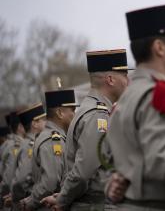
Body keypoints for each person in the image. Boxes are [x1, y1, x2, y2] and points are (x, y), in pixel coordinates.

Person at [105, 4, 165, 211]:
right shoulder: (160, 95)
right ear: (159, 47)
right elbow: (163, 161)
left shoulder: (127, 95)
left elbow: (114, 160)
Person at [41, 49, 129, 211]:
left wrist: (62, 196)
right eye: (124, 75)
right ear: (110, 79)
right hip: (93, 205)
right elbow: (84, 170)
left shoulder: (92, 109)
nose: (128, 81)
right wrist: (63, 199)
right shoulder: (97, 115)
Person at [20, 89, 78, 211]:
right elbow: (50, 182)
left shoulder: (54, 136)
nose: (75, 114)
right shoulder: (53, 140)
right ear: (60, 113)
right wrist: (31, 202)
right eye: (72, 110)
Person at [11, 103, 47, 208]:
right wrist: (18, 200)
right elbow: (21, 179)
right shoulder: (30, 146)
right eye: (43, 120)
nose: (46, 123)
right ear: (34, 124)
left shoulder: (30, 143)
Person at [0, 111, 25, 209]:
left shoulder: (11, 144)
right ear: (19, 127)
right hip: (13, 199)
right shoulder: (15, 145)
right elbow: (8, 177)